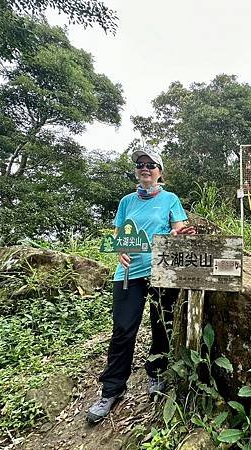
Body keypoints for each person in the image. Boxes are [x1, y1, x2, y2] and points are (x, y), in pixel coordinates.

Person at [87, 145, 195, 424]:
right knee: (123, 329)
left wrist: (177, 232)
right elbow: (118, 234)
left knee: (162, 324)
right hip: (128, 273)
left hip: (161, 270)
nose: (145, 169)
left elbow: (178, 228)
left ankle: (156, 373)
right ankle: (111, 390)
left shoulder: (170, 199)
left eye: (151, 165)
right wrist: (118, 248)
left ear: (160, 172)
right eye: (140, 165)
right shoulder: (126, 202)